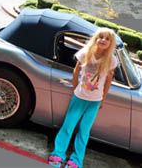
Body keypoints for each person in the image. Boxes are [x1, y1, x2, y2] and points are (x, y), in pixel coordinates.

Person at [48, 28, 117, 168]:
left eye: (107, 38)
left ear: (111, 43)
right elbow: (76, 71)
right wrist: (75, 89)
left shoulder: (111, 60)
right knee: (68, 126)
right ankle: (58, 154)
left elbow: (109, 80)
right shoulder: (86, 53)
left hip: (94, 102)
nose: (103, 40)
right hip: (79, 98)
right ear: (96, 39)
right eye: (100, 37)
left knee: (84, 131)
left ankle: (76, 160)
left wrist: (103, 98)